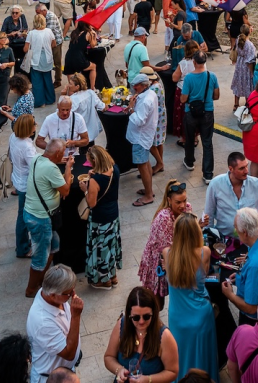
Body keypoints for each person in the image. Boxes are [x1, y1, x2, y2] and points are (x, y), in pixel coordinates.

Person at [164, 213, 218, 381]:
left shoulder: (167, 253)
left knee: (179, 354)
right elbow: (208, 272)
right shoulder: (205, 252)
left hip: (178, 316)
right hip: (201, 316)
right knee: (203, 355)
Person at [24, 139, 73, 297]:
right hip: (41, 219)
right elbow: (65, 191)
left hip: (34, 214)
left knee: (53, 246)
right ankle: (31, 290)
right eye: (63, 152)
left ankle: (40, 282)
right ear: (58, 153)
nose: (64, 155)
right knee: (40, 256)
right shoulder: (51, 168)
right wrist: (68, 169)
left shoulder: (37, 158)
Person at [103, 287, 179, 383]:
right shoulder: (122, 325)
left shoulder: (165, 337)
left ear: (154, 314)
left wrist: (148, 379)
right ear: (129, 315)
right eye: (136, 317)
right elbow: (109, 357)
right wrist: (119, 370)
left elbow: (172, 372)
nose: (141, 321)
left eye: (146, 316)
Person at [78, 146, 121, 289]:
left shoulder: (96, 181)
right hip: (113, 215)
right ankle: (113, 276)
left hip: (100, 219)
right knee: (110, 247)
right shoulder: (115, 168)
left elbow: (92, 203)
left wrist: (86, 189)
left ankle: (104, 281)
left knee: (101, 250)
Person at [181, 52, 219, 182]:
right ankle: (208, 174)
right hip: (207, 111)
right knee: (207, 142)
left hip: (191, 112)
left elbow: (184, 98)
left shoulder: (188, 78)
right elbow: (216, 96)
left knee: (190, 138)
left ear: (194, 62)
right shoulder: (212, 76)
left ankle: (189, 162)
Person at [7, 114, 38, 259]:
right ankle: (23, 248)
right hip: (26, 185)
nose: (35, 126)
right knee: (24, 217)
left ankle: (22, 244)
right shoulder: (26, 146)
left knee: (22, 215)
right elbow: (35, 166)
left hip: (18, 179)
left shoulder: (13, 137)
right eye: (33, 124)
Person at [127, 74, 159, 207]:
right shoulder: (151, 94)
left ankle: (148, 195)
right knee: (145, 163)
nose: (134, 88)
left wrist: (131, 109)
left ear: (144, 85)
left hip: (140, 137)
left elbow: (140, 120)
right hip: (146, 135)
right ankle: (148, 190)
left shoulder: (146, 100)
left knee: (142, 165)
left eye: (137, 86)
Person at [24, 15, 57, 107]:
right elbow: (54, 44)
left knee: (37, 82)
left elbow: (25, 49)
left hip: (36, 60)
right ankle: (50, 99)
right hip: (47, 59)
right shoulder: (49, 31)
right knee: (48, 80)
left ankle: (39, 102)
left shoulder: (31, 33)